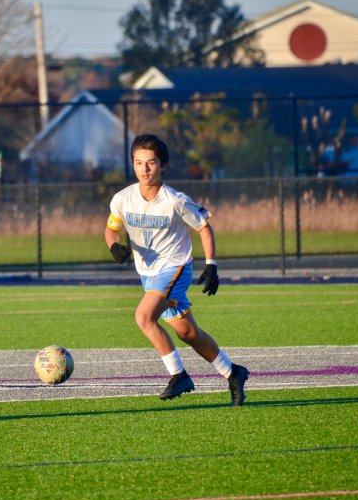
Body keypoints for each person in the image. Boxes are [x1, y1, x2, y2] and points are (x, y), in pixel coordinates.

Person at [104, 134, 249, 406]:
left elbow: (204, 227)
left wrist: (211, 265)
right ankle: (233, 372)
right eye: (138, 163)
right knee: (188, 333)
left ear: (163, 165)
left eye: (151, 163)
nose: (144, 169)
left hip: (175, 267)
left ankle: (179, 375)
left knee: (143, 317)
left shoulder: (175, 200)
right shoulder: (123, 199)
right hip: (149, 275)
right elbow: (111, 229)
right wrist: (114, 246)